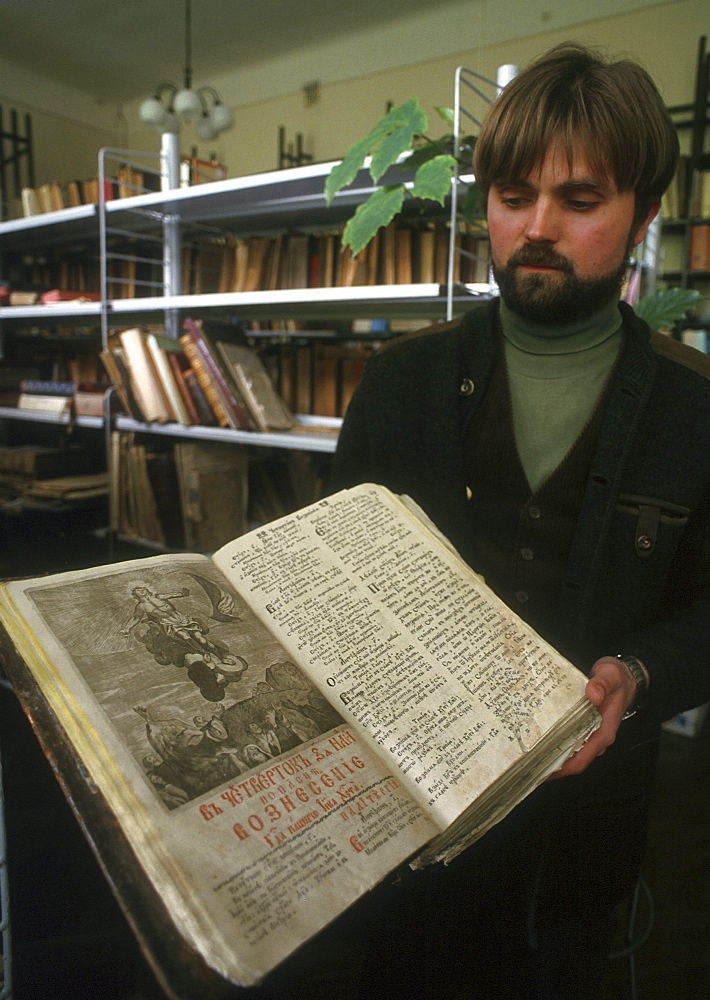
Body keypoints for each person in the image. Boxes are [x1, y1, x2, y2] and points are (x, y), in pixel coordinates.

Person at [329, 41, 710, 1000]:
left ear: (641, 218)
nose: (536, 226)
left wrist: (639, 671)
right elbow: (326, 568)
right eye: (511, 196)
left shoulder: (694, 410)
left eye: (579, 201)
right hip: (402, 818)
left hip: (585, 832)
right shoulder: (398, 384)